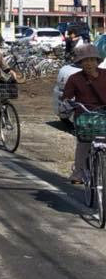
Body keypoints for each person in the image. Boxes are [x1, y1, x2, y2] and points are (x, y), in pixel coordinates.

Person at [62, 44, 106, 184]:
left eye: (92, 60)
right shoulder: (74, 78)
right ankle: (78, 173)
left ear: (97, 61)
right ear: (80, 62)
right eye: (85, 60)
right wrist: (68, 104)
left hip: (104, 114)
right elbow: (67, 97)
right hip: (85, 116)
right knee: (84, 143)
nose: (89, 63)